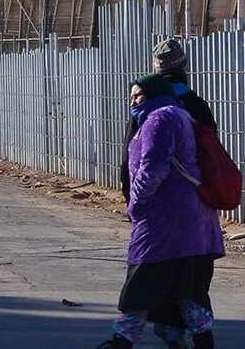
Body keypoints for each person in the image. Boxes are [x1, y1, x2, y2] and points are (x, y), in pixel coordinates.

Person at [94, 74, 224, 349]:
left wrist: (136, 205)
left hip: (164, 221)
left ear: (153, 94)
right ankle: (203, 338)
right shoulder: (179, 115)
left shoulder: (159, 119)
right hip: (191, 222)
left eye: (137, 96)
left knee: (141, 283)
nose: (132, 101)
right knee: (184, 286)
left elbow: (153, 168)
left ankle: (123, 339)